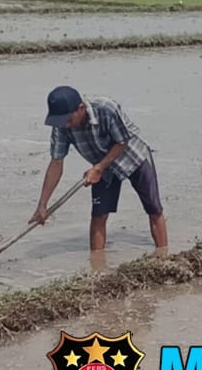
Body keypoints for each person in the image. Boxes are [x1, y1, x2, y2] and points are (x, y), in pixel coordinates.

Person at [30, 86, 168, 255]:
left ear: (81, 108)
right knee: (99, 215)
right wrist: (42, 204)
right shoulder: (61, 127)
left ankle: (164, 256)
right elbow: (56, 162)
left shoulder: (106, 108)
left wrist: (99, 168)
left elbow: (122, 141)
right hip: (101, 167)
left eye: (68, 119)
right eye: (61, 121)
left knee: (154, 208)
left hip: (133, 155)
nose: (66, 125)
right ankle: (97, 265)